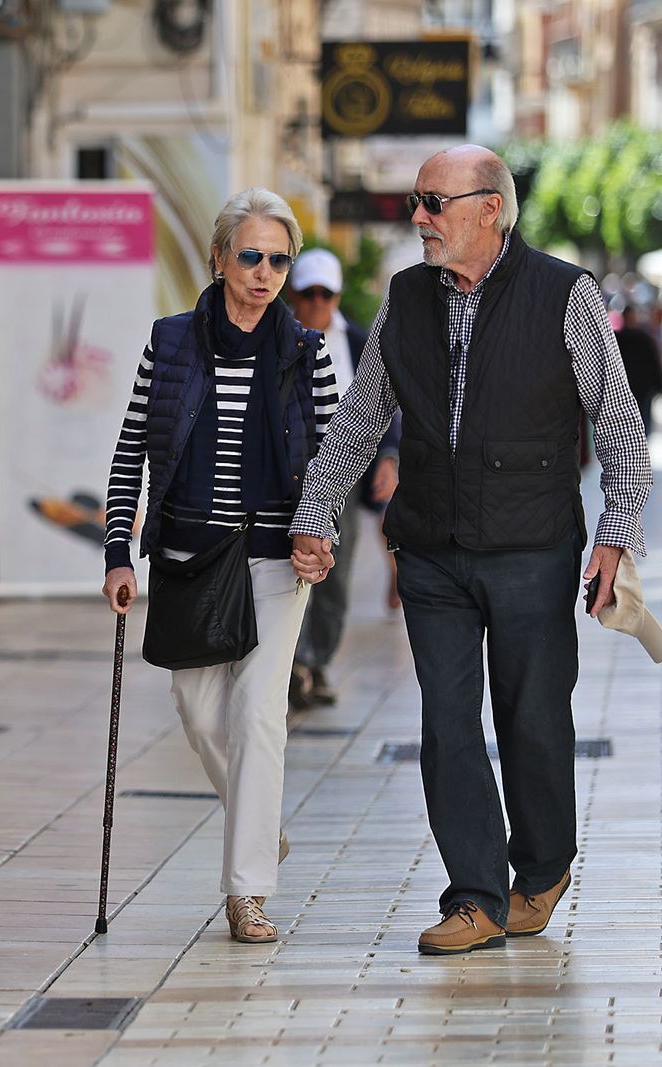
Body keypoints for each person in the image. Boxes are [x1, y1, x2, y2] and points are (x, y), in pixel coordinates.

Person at [290, 146, 652, 956]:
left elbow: (621, 423)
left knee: (532, 718)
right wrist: (317, 507)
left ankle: (544, 864)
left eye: (433, 202)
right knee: (448, 722)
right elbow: (357, 420)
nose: (418, 217)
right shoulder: (406, 297)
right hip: (431, 550)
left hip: (532, 547)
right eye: (417, 202)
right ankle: (476, 896)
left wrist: (615, 535)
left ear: (490, 208)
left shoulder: (566, 293)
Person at [102, 188, 338, 944]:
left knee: (257, 713)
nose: (267, 272)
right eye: (252, 256)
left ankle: (248, 892)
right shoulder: (169, 342)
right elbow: (132, 449)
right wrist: (116, 552)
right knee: (200, 714)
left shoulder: (306, 351)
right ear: (218, 258)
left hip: (276, 558)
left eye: (280, 259)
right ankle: (257, 822)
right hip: (188, 558)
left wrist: (318, 529)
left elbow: (334, 457)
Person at [284, 249, 400, 708]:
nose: (316, 302)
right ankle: (291, 662)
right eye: (308, 293)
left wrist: (389, 457)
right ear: (294, 294)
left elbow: (384, 404)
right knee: (288, 573)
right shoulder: (279, 338)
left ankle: (317, 662)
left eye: (325, 294)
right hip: (288, 476)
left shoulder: (357, 340)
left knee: (334, 573)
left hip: (343, 478)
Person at [614, 304, 661, 435]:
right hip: (643, 390)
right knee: (642, 428)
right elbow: (653, 364)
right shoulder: (644, 339)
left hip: (623, 390)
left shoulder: (616, 340)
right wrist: (657, 385)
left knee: (625, 429)